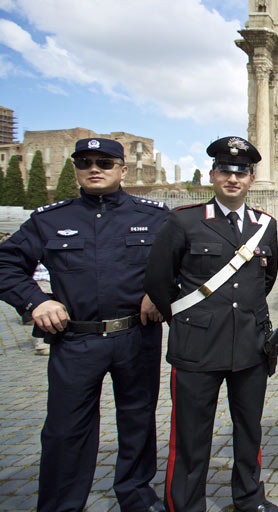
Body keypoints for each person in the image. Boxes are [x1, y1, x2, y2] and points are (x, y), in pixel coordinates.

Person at [0, 137, 168, 512]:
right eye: (85, 162)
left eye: (104, 162)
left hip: (136, 335)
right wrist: (36, 301)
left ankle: (137, 495)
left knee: (138, 420)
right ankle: (61, 504)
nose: (94, 168)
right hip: (75, 339)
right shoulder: (50, 219)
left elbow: (186, 261)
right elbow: (6, 264)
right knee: (65, 429)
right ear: (75, 169)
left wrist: (162, 293)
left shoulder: (154, 217)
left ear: (123, 170)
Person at [144, 136, 278, 512]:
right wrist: (190, 320)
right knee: (190, 435)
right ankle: (186, 505)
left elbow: (265, 280)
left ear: (251, 178)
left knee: (249, 429)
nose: (233, 178)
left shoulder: (265, 225)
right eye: (225, 171)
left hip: (250, 345)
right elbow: (158, 280)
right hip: (197, 345)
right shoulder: (184, 220)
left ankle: (249, 498)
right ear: (212, 175)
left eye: (241, 172)